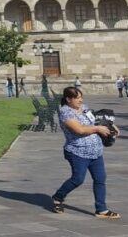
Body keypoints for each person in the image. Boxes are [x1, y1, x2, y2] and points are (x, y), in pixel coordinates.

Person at [51, 86, 120, 218]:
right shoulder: (65, 112)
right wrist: (98, 129)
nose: (81, 100)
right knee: (77, 179)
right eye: (78, 98)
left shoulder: (84, 108)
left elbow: (98, 120)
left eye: (81, 97)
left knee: (100, 179)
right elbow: (80, 130)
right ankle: (58, 197)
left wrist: (112, 127)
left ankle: (101, 210)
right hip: (77, 152)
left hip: (96, 151)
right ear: (68, 99)